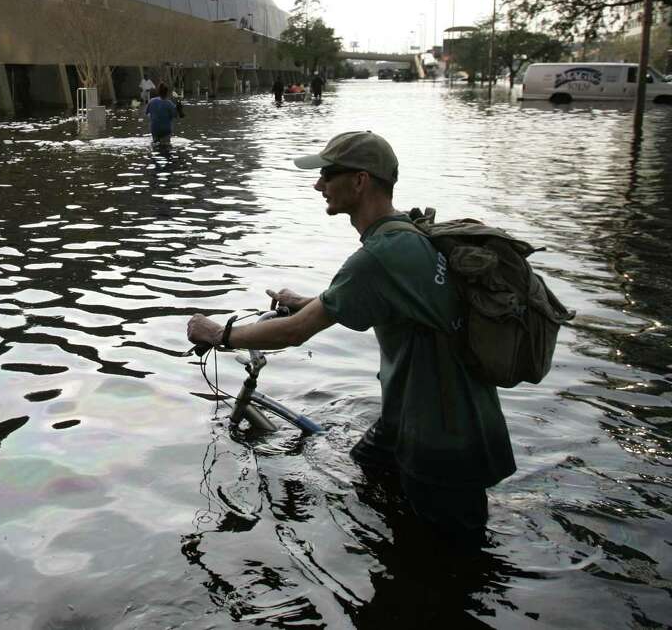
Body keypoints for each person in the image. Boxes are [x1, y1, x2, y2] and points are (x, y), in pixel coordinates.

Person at [186, 131, 515, 543]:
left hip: (441, 437)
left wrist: (219, 334)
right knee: (369, 471)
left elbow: (294, 332)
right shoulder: (405, 234)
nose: (318, 185)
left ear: (359, 181)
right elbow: (381, 299)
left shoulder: (378, 255)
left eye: (327, 174)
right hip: (413, 419)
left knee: (451, 565)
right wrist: (308, 300)